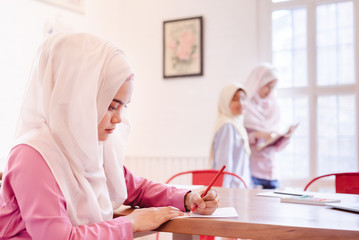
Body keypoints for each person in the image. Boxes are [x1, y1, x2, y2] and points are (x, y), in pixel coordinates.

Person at [0, 32, 219, 239]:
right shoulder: (32, 156)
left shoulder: (88, 145)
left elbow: (137, 188)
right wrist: (131, 223)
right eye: (111, 106)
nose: (118, 119)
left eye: (124, 107)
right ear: (78, 100)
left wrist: (188, 198)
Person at [244, 63, 294, 189]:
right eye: (267, 86)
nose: (270, 91)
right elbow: (240, 140)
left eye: (273, 87)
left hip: (271, 170)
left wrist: (284, 137)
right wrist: (258, 135)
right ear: (258, 83)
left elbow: (275, 147)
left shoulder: (273, 107)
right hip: (252, 170)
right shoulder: (245, 107)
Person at [209, 82, 251, 188]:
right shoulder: (227, 126)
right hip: (231, 189)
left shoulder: (237, 124)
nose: (241, 103)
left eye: (243, 98)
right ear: (225, 102)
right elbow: (224, 163)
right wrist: (225, 193)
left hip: (240, 187)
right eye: (235, 99)